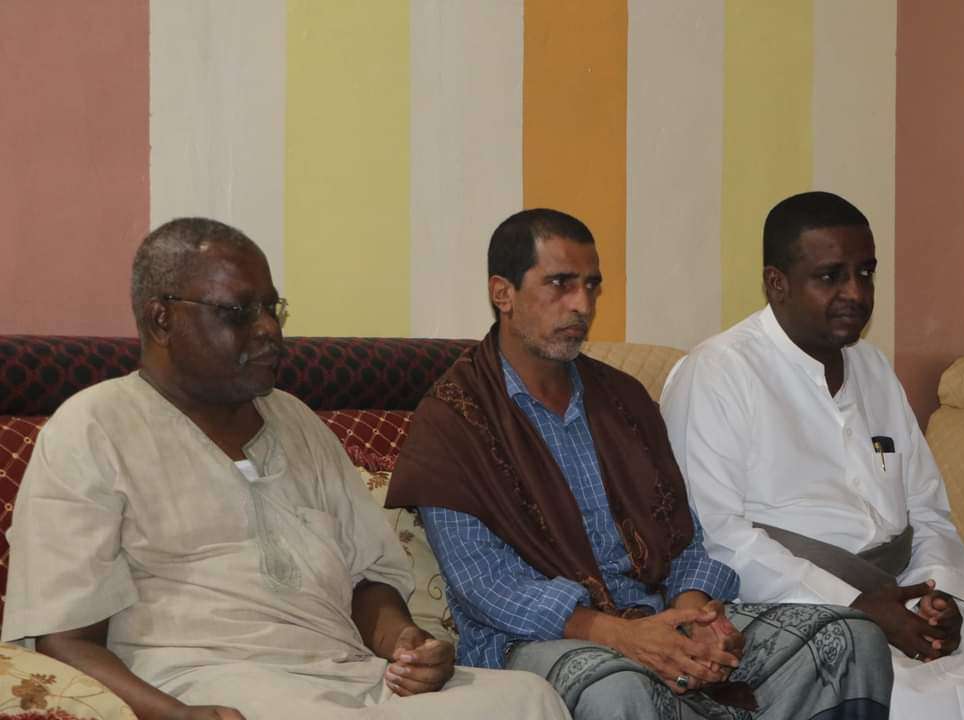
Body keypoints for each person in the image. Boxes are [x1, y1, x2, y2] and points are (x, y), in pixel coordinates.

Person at [2, 218, 570, 720]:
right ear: (161, 320)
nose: (269, 330)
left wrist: (407, 644)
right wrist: (175, 715)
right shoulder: (93, 429)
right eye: (238, 312)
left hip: (348, 676)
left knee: (527, 699)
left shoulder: (296, 421)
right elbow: (64, 639)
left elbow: (366, 581)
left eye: (271, 309)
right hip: (212, 683)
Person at [386, 208, 894, 720]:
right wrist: (623, 636)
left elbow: (685, 537)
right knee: (617, 688)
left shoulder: (623, 399)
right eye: (560, 284)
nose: (582, 304)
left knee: (848, 638)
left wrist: (693, 615)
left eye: (591, 286)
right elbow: (485, 586)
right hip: (532, 641)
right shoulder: (455, 418)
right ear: (503, 293)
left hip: (658, 616)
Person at [660, 191, 964, 720]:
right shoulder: (717, 373)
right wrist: (859, 607)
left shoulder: (874, 368)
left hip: (899, 605)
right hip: (800, 616)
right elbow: (717, 537)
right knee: (926, 704)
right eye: (831, 276)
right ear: (776, 283)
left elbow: (926, 510)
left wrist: (939, 597)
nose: (856, 293)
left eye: (866, 273)